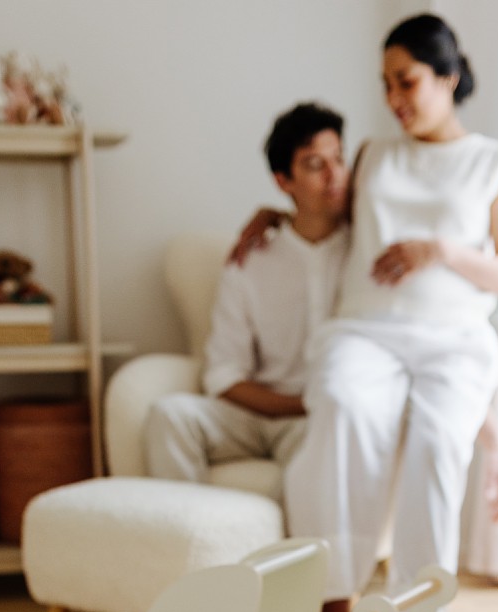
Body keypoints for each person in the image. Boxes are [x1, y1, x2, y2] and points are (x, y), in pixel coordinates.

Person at [280, 13, 498, 612]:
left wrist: (441, 250)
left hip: (453, 337)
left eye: (407, 81)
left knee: (436, 446)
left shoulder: (496, 162)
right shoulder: (374, 154)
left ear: (447, 75)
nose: (393, 100)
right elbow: (323, 216)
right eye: (386, 84)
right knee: (341, 402)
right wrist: (268, 214)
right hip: (366, 329)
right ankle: (338, 596)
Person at [143, 103, 349, 488]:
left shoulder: (363, 250)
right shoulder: (250, 262)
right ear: (283, 181)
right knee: (168, 415)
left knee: (329, 438)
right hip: (258, 415)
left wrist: (321, 407)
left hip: (325, 421)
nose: (334, 175)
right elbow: (222, 375)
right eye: (315, 164)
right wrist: (298, 405)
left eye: (339, 158)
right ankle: (190, 536)